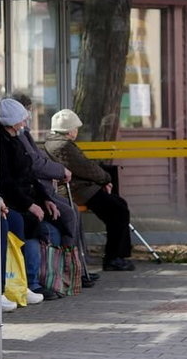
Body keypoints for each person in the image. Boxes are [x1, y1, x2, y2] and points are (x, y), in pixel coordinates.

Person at [11, 93, 99, 287]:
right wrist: (60, 171)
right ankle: (69, 267)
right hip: (34, 191)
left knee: (71, 211)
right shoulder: (18, 136)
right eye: (28, 111)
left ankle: (75, 266)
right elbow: (34, 164)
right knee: (68, 213)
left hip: (40, 189)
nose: (29, 117)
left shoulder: (23, 134)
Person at [44, 109, 135, 272]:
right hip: (77, 191)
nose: (77, 131)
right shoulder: (63, 145)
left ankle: (118, 255)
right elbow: (86, 168)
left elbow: (82, 167)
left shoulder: (55, 142)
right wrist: (106, 179)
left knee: (118, 206)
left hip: (79, 188)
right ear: (69, 130)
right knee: (118, 210)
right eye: (75, 128)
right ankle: (114, 257)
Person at [0, 98, 64, 301]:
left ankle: (32, 281)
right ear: (10, 122)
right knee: (32, 228)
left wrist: (44, 198)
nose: (25, 125)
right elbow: (6, 181)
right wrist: (30, 205)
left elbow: (29, 173)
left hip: (26, 198)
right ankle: (30, 282)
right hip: (15, 201)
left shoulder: (15, 140)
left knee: (47, 227)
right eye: (22, 120)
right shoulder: (1, 144)